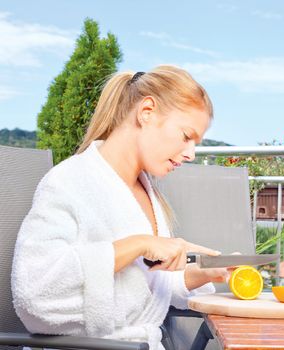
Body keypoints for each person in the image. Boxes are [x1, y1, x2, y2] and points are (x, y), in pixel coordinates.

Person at [11, 65, 229, 350]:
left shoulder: (146, 192)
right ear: (147, 112)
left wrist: (200, 274)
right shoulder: (68, 182)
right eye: (186, 136)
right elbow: (34, 294)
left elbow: (143, 291)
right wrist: (138, 244)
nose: (191, 153)